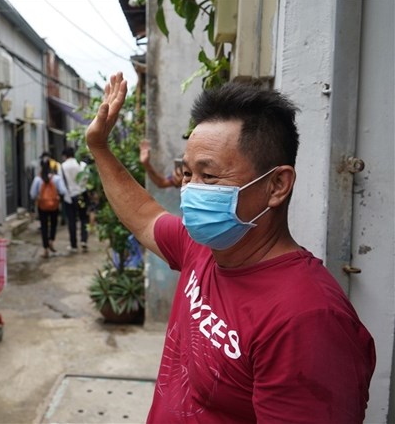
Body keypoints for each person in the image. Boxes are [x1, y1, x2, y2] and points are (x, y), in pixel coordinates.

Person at [86, 72, 375, 423]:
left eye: (209, 176)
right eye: (188, 174)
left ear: (276, 185)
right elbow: (145, 217)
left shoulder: (308, 320)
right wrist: (99, 148)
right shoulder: (204, 247)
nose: (191, 190)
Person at [30, 156, 67, 258]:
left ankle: (45, 249)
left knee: (44, 226)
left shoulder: (38, 179)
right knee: (54, 224)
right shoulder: (56, 178)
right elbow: (63, 191)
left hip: (42, 206)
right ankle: (51, 240)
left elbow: (32, 194)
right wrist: (58, 196)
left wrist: (38, 197)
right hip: (54, 205)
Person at [60, 146, 89, 253]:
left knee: (71, 221)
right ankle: (84, 240)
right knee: (83, 219)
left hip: (69, 196)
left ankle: (73, 245)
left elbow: (62, 184)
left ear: (65, 156)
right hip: (82, 194)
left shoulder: (62, 166)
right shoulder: (82, 165)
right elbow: (87, 179)